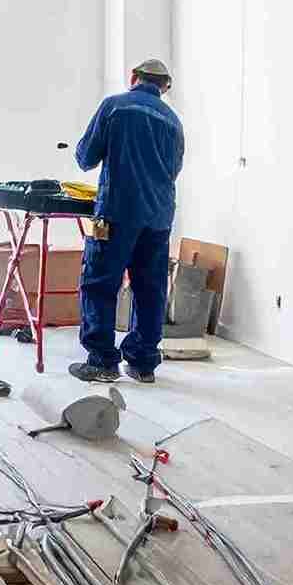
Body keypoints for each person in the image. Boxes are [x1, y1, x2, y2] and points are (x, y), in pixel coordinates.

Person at [68, 58, 184, 386]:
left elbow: (85, 157)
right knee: (150, 289)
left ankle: (103, 361)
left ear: (133, 78)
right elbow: (173, 170)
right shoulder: (174, 121)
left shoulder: (114, 107)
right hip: (159, 218)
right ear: (164, 87)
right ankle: (143, 363)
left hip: (116, 213)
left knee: (100, 283)